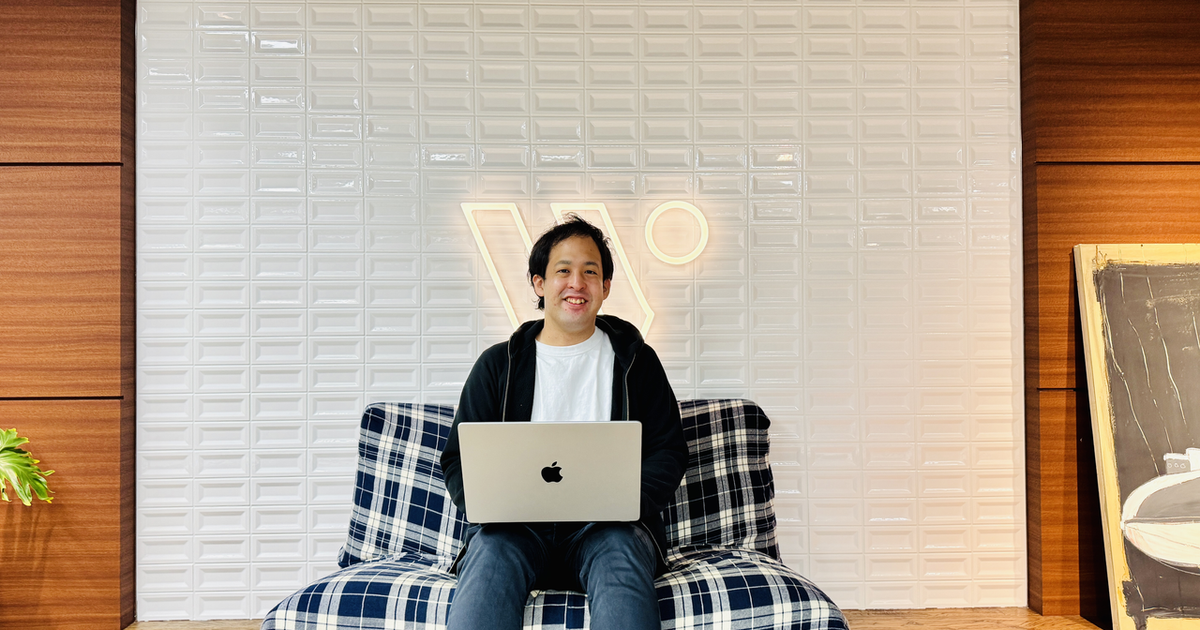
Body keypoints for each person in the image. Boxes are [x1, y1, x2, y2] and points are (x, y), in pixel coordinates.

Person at [440, 214, 689, 630]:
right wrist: (487, 505)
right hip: (515, 528)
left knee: (620, 551)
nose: (577, 283)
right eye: (563, 271)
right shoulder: (498, 364)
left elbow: (669, 450)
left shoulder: (637, 362)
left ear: (606, 287)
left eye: (590, 272)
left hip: (609, 529)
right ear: (539, 283)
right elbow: (457, 458)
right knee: (490, 552)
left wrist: (627, 501)